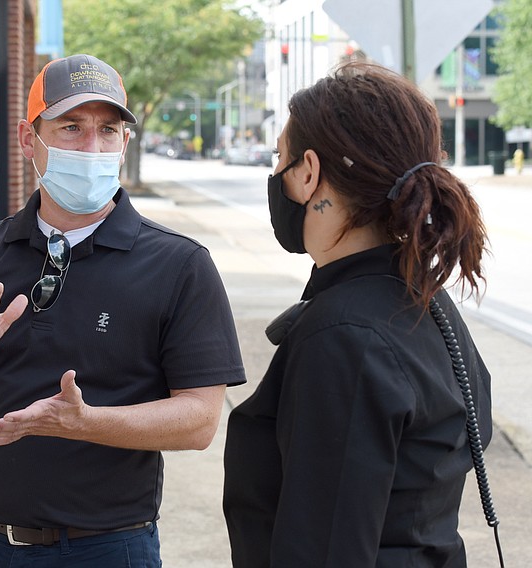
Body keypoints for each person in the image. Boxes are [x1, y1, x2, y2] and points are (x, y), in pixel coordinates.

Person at [0, 53, 246, 567]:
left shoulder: (179, 265)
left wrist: (84, 422)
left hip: (104, 550)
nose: (92, 147)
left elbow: (199, 421)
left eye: (108, 130)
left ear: (124, 142)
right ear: (30, 140)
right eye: (71, 127)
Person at [223, 62, 493, 567]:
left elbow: (322, 551)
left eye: (279, 158)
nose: (277, 174)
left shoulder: (344, 336)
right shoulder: (422, 301)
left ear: (308, 171)